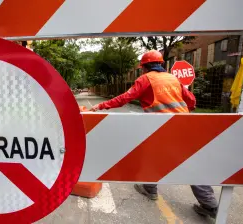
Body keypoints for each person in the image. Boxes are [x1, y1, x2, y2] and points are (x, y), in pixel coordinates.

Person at [90, 50, 218, 218]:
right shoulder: (173, 78)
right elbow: (191, 100)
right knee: (190, 162)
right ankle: (209, 204)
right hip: (185, 126)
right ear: (161, 64)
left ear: (144, 67)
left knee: (151, 155)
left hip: (161, 127)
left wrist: (100, 106)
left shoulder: (145, 79)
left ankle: (150, 188)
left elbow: (124, 98)